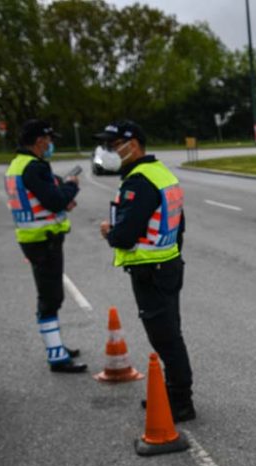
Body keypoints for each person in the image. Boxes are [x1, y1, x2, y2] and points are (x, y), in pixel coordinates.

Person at [95, 120, 195, 422]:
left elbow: (125, 235)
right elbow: (180, 225)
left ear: (133, 145)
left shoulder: (139, 181)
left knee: (165, 338)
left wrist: (109, 232)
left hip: (151, 271)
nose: (109, 151)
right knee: (169, 335)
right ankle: (172, 392)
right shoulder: (161, 173)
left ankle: (180, 402)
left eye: (114, 146)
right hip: (168, 265)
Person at [5, 119, 86, 373]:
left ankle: (57, 347)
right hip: (44, 241)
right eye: (49, 140)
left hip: (35, 240)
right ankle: (56, 356)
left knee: (50, 295)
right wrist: (71, 187)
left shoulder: (19, 165)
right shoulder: (33, 168)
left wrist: (63, 196)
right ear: (40, 140)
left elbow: (47, 197)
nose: (51, 145)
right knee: (51, 297)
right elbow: (53, 200)